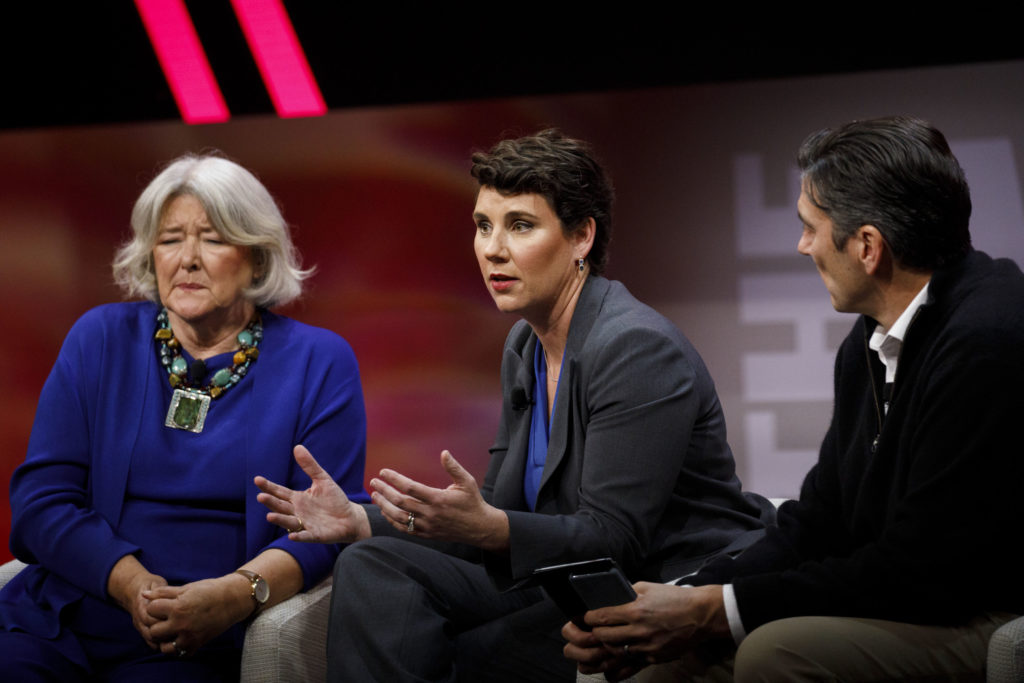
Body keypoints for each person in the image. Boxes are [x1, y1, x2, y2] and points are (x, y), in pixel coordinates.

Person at [255, 129, 772, 681]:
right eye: (483, 226)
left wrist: (491, 526)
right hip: (561, 576)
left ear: (581, 238)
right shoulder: (525, 344)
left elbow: (613, 538)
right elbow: (503, 509)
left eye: (520, 225)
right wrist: (360, 518)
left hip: (650, 583)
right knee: (372, 563)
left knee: (470, 650)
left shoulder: (634, 347)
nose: (492, 249)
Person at [563, 116, 1024, 682]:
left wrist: (717, 612)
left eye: (810, 226)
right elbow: (819, 522)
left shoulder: (989, 339)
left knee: (776, 653)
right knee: (662, 659)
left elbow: (924, 569)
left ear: (867, 246)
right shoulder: (870, 343)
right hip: (912, 591)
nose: (801, 245)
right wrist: (696, 595)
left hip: (984, 607)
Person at [0, 153, 369, 681]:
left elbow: (327, 527)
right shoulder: (100, 337)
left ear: (258, 257)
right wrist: (131, 584)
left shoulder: (319, 360)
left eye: (214, 239)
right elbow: (40, 502)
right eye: (171, 238)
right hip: (66, 613)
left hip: (203, 636)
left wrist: (234, 595)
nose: (187, 259)